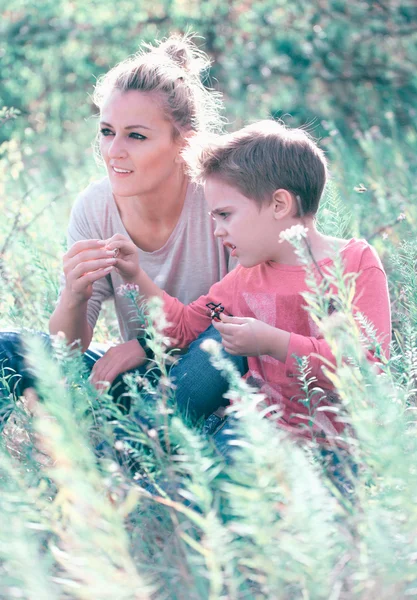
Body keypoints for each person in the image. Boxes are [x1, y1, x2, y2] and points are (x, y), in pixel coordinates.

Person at [0, 34, 245, 426]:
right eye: (106, 131)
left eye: (136, 136)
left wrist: (149, 347)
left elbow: (254, 313)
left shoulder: (223, 200)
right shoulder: (94, 207)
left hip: (214, 377)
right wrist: (74, 294)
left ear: (184, 143)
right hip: (140, 381)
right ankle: (140, 429)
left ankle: (138, 439)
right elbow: (71, 348)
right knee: (5, 350)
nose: (114, 151)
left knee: (226, 348)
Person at [106, 119, 391, 448]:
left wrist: (273, 343)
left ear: (279, 204)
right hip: (259, 430)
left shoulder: (355, 263)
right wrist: (134, 274)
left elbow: (366, 365)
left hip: (339, 442)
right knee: (224, 469)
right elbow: (185, 326)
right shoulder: (243, 280)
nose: (218, 230)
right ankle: (139, 447)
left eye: (225, 215)